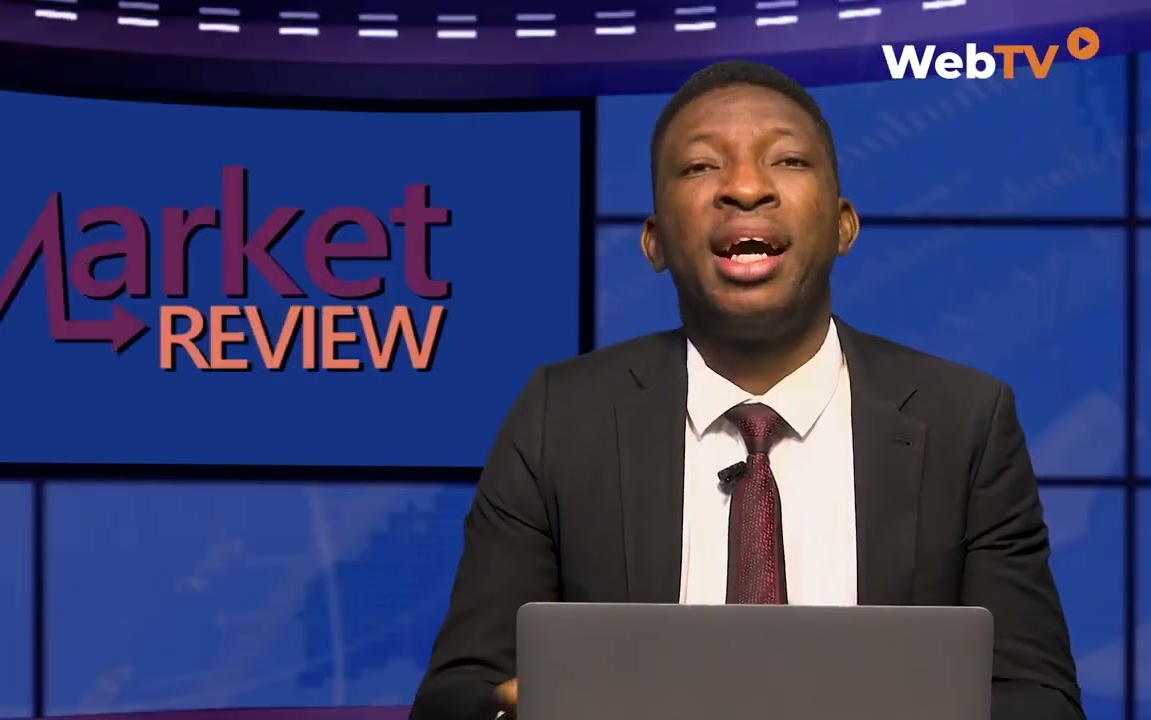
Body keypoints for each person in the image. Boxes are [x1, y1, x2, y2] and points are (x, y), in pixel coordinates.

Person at [409, 60, 1084, 720]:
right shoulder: (560, 417)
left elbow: (1039, 698)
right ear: (654, 243)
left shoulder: (966, 423)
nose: (745, 187)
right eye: (701, 166)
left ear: (844, 226)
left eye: (786, 160)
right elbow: (458, 693)